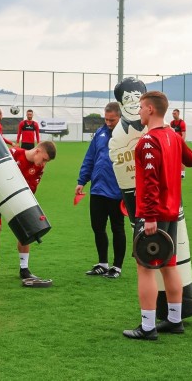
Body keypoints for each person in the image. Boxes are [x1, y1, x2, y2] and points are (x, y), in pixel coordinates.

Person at [123, 91, 192, 340]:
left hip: (152, 214)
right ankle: (174, 320)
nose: (139, 112)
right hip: (172, 212)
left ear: (151, 109)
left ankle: (147, 327)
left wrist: (150, 217)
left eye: (141, 107)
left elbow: (152, 182)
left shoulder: (147, 141)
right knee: (169, 264)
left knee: (145, 269)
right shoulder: (173, 136)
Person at [0, 141, 56, 281]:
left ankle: (24, 269)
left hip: (18, 198)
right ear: (37, 151)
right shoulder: (12, 154)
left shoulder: (39, 169)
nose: (44, 164)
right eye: (44, 159)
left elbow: (32, 189)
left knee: (25, 231)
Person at [76, 102, 126, 279]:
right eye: (106, 119)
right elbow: (90, 157)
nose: (109, 122)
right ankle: (103, 264)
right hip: (97, 189)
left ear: (120, 117)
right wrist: (82, 181)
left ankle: (117, 267)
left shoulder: (127, 134)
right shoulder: (100, 132)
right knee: (98, 227)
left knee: (117, 228)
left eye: (112, 120)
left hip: (117, 191)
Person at [170, 109, 187, 178]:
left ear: (178, 113)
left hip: (180, 143)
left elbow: (183, 135)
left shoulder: (182, 123)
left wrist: (181, 143)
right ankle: (175, 171)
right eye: (173, 114)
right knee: (173, 157)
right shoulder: (172, 123)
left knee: (181, 158)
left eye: (175, 114)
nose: (174, 115)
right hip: (173, 143)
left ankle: (182, 173)